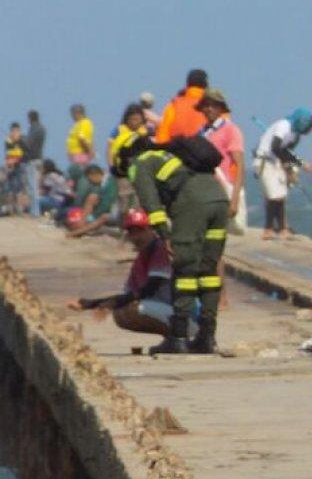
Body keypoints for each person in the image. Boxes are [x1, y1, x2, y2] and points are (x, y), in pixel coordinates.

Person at [120, 134, 229, 354]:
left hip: (193, 203)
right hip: (218, 198)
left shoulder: (139, 163)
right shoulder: (169, 155)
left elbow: (151, 204)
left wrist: (164, 235)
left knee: (185, 269)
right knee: (208, 271)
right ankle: (207, 337)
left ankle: (178, 337)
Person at [67, 208, 178, 337]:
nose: (136, 237)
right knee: (121, 312)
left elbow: (149, 290)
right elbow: (131, 294)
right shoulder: (141, 257)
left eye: (141, 231)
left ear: (151, 230)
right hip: (163, 308)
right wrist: (89, 304)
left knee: (131, 308)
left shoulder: (159, 249)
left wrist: (99, 304)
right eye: (132, 232)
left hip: (183, 315)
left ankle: (178, 336)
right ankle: (170, 338)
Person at [254, 108, 312, 240]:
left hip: (276, 162)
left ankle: (282, 228)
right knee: (274, 195)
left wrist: (291, 169)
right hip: (265, 160)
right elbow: (275, 148)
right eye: (308, 127)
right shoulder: (284, 126)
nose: (308, 131)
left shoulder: (295, 135)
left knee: (281, 194)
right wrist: (298, 163)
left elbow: (286, 153)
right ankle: (269, 229)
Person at [197, 88, 246, 233]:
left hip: (222, 191)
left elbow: (240, 165)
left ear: (220, 109)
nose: (210, 109)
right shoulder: (200, 133)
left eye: (214, 105)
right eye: (206, 105)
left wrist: (235, 199)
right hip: (203, 192)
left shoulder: (231, 130)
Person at [108, 104, 150, 211]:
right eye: (132, 119)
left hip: (141, 171)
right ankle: (122, 225)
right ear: (127, 119)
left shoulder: (147, 131)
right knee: (124, 200)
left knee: (139, 199)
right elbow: (110, 150)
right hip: (122, 171)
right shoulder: (118, 130)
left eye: (138, 119)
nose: (135, 122)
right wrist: (111, 166)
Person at [155, 69, 209, 143]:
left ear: (187, 85)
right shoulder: (214, 107)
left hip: (177, 151)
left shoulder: (174, 105)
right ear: (206, 86)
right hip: (204, 151)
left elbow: (162, 135)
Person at [65, 164, 118, 238]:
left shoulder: (110, 183)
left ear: (94, 175)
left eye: (90, 179)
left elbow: (107, 204)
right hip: (107, 209)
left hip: (116, 210)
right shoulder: (104, 184)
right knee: (92, 197)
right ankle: (82, 224)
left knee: (93, 200)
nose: (91, 182)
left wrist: (92, 216)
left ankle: (80, 229)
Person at [22, 110, 45, 212]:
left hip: (32, 160)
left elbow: (28, 144)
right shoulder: (42, 128)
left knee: (32, 187)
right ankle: (35, 210)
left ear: (30, 118)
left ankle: (35, 211)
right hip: (38, 159)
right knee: (34, 186)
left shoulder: (35, 129)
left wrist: (20, 139)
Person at [4, 123, 24, 215]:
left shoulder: (22, 140)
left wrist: (18, 141)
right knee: (9, 188)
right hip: (10, 166)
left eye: (17, 131)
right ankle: (10, 209)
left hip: (19, 166)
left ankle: (19, 209)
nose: (15, 133)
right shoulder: (8, 140)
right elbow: (9, 151)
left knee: (19, 188)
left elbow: (22, 153)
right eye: (13, 131)